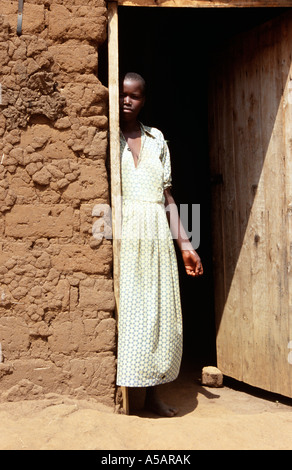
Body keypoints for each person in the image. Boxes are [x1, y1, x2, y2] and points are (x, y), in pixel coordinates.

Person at [116, 72, 203, 417]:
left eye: (134, 96)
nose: (127, 100)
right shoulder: (107, 136)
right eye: (123, 94)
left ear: (143, 100)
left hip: (155, 237)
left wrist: (185, 244)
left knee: (156, 313)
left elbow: (167, 196)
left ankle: (152, 397)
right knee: (130, 313)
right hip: (124, 235)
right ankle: (125, 398)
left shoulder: (157, 139)